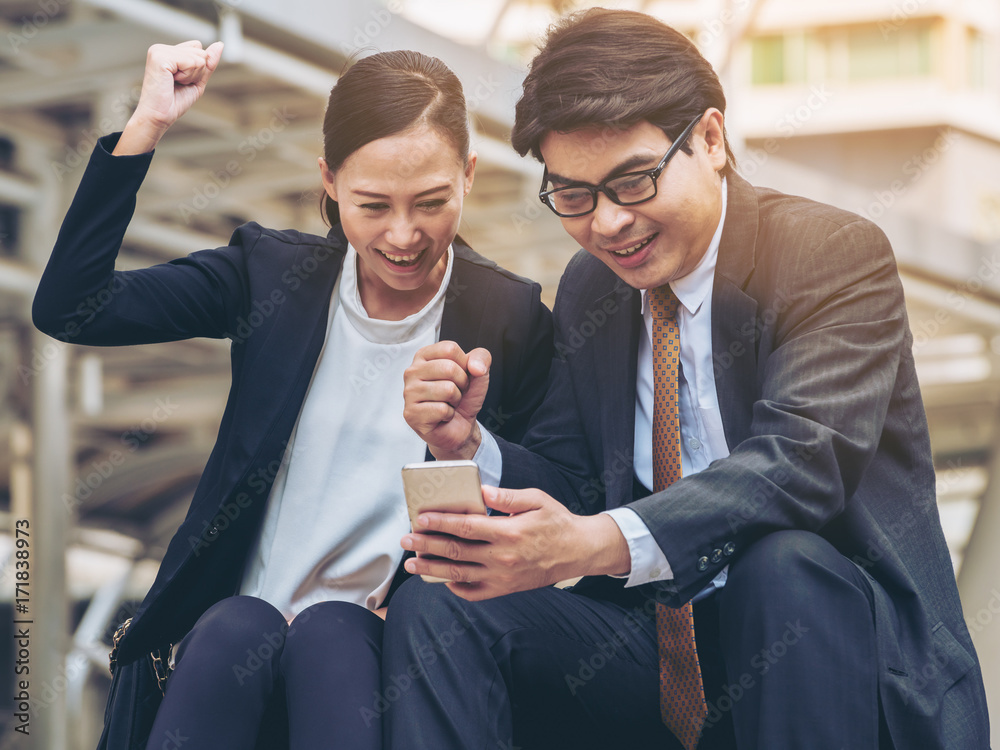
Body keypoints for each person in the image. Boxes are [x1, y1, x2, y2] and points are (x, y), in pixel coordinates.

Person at [392, 8, 990, 750]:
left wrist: (595, 543)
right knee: (441, 604)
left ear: (710, 139)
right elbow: (577, 485)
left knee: (780, 565)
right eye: (573, 196)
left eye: (633, 182)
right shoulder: (593, 288)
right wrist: (469, 442)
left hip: (827, 657)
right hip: (657, 657)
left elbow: (801, 463)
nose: (608, 223)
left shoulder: (829, 251)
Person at [32, 40, 552, 749]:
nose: (404, 235)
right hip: (232, 654)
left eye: (431, 202)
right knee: (236, 623)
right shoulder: (272, 276)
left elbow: (558, 494)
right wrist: (145, 126)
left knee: (331, 631)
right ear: (330, 182)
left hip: (378, 667)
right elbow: (73, 308)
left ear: (468, 175)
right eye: (372, 205)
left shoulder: (511, 319)